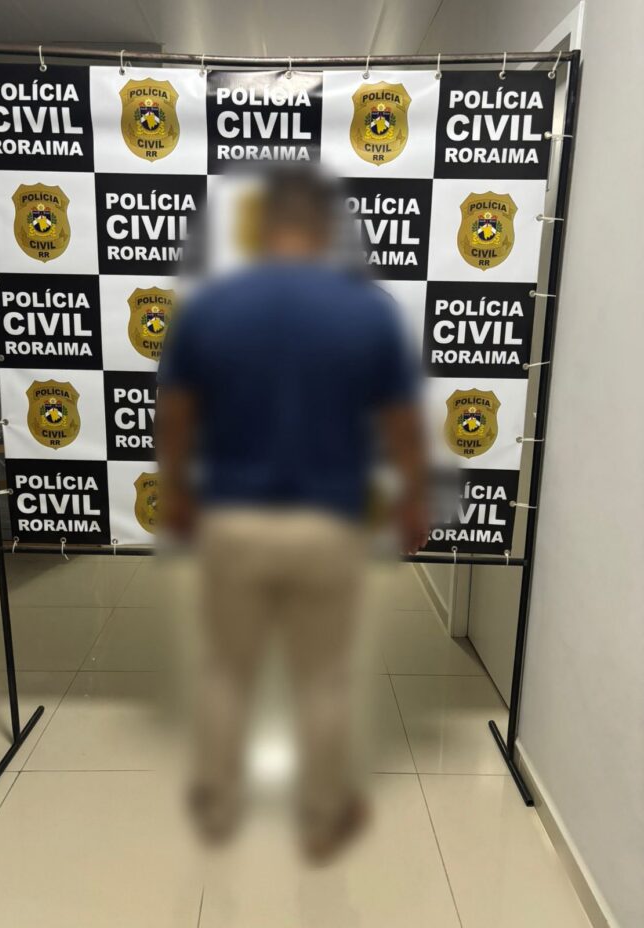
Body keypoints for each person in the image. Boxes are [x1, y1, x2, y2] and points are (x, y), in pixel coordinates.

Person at [155, 166, 429, 862]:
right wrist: (414, 500)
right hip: (327, 525)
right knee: (324, 680)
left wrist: (176, 493)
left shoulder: (211, 307)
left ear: (265, 224)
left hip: (233, 521)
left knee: (225, 671)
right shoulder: (367, 311)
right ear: (324, 227)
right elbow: (402, 424)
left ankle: (217, 807)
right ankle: (321, 820)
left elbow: (176, 414)